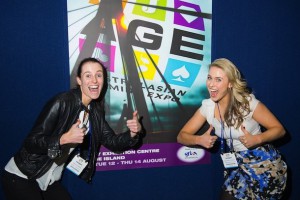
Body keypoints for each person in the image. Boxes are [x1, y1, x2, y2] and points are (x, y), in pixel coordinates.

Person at [1, 57, 143, 200]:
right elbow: (31, 142)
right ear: (79, 80)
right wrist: (63, 139)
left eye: (99, 75)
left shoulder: (95, 112)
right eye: (88, 75)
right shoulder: (62, 102)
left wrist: (132, 133)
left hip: (48, 178)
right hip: (22, 176)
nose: (94, 80)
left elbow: (113, 142)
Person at [177, 58, 287, 200]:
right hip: (238, 166)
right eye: (209, 78)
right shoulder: (208, 107)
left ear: (230, 83)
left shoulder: (247, 103)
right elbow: (181, 136)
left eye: (218, 79)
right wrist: (199, 139)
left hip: (264, 166)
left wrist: (257, 139)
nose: (211, 84)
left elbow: (279, 129)